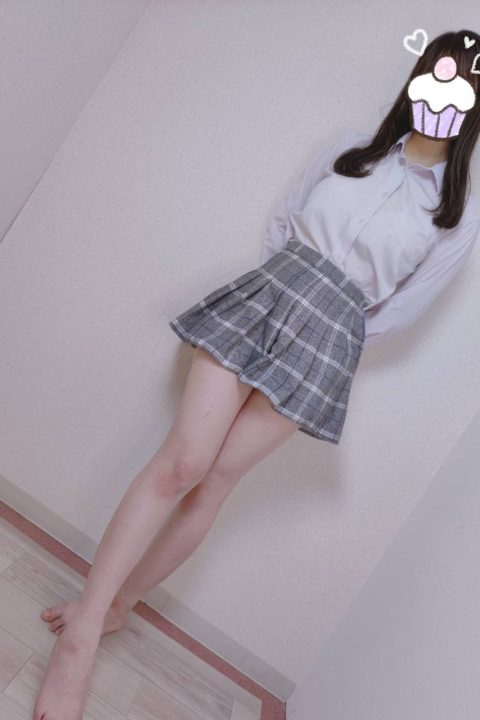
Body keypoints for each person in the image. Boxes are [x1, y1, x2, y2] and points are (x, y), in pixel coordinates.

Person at [34, 28, 480, 720]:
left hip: (328, 340)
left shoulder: (456, 215)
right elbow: (282, 223)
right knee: (183, 462)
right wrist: (286, 286)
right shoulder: (351, 147)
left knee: (214, 481)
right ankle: (82, 634)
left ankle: (121, 605)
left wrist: (333, 325)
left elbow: (400, 311)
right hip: (268, 294)